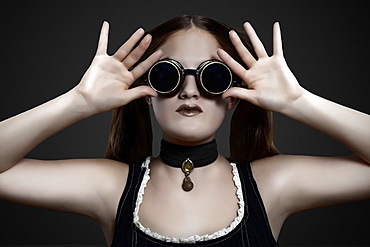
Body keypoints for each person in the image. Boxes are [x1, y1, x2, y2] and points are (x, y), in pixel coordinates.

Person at [0, 15, 369, 246]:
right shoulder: (111, 187)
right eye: (167, 76)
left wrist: (298, 102)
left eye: (212, 76)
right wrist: (77, 101)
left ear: (233, 96)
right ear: (145, 93)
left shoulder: (272, 183)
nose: (189, 90)